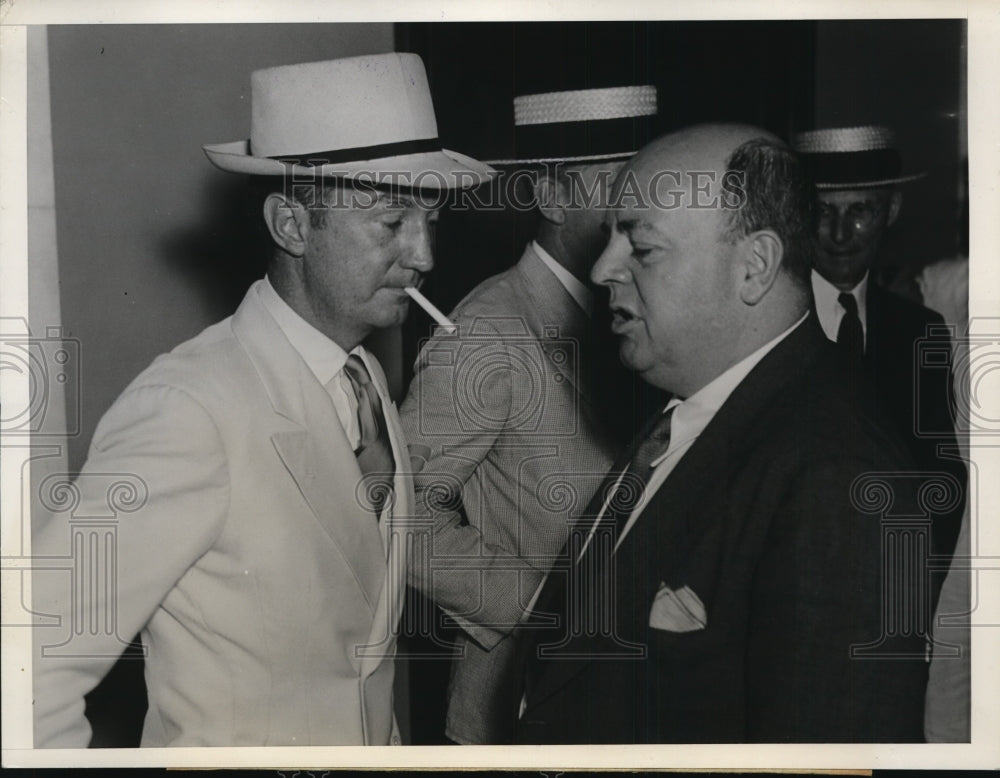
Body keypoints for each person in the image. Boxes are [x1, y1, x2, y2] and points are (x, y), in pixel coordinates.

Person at [31, 53, 492, 747]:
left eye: (431, 218)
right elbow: (29, 667)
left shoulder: (363, 382)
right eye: (393, 222)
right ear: (292, 226)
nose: (424, 255)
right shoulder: (187, 407)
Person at [515, 123, 936, 743]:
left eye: (642, 247)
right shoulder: (689, 411)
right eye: (610, 236)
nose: (604, 267)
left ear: (754, 267)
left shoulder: (840, 478)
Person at [398, 84, 659, 744]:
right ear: (551, 196)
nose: (642, 206)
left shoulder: (646, 319)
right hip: (516, 710)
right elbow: (394, 514)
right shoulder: (487, 330)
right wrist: (546, 607)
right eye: (619, 185)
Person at [793, 125, 964, 561]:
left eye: (861, 211)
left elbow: (941, 479)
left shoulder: (919, 328)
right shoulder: (761, 319)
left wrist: (915, 588)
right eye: (822, 211)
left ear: (891, 211)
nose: (840, 233)